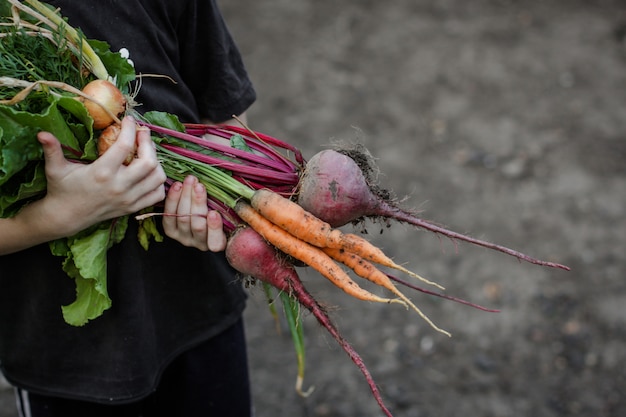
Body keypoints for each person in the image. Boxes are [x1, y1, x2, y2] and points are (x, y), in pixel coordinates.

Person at [0, 1, 257, 416]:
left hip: (198, 300)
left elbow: (226, 111)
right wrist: (54, 218)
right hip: (69, 361)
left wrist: (212, 197)